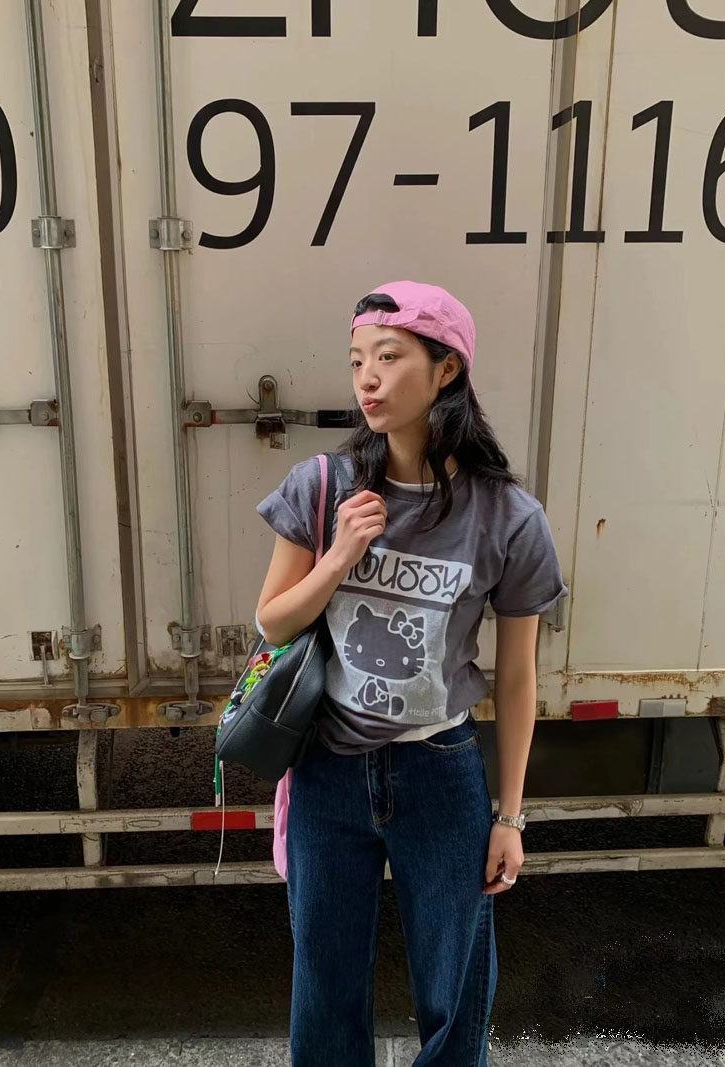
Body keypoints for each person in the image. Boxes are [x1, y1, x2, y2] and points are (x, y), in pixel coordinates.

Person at [255, 281, 569, 1066]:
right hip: (328, 770)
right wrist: (338, 556)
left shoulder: (508, 518)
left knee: (454, 987)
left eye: (389, 357)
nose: (367, 377)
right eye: (357, 359)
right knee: (324, 981)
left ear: (446, 369)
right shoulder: (323, 486)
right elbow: (272, 621)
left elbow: (518, 678)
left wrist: (511, 816)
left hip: (440, 770)